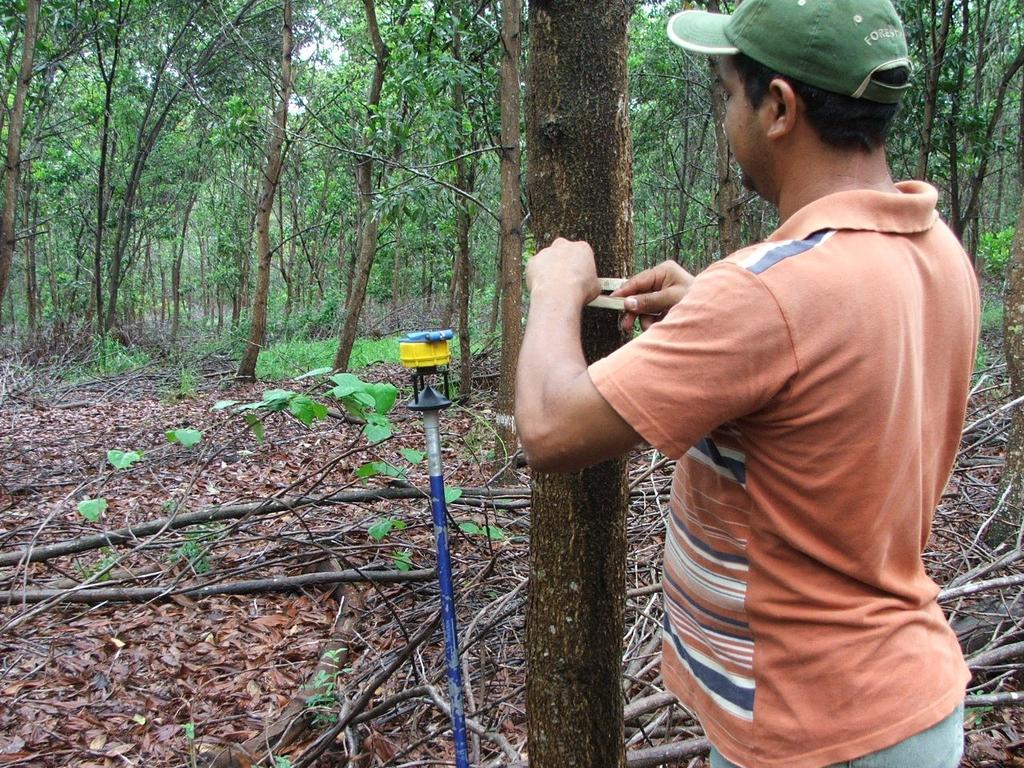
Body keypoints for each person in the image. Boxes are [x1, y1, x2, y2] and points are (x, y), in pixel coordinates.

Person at [514, 1, 980, 766]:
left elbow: (550, 428)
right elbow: (832, 371)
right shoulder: (932, 249)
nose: (726, 115)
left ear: (779, 107)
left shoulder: (769, 296)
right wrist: (717, 314)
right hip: (912, 707)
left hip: (816, 729)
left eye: (727, 94)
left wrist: (552, 289)